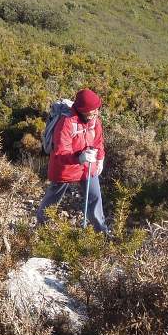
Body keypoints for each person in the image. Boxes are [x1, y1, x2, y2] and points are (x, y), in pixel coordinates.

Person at [35, 88, 109, 233]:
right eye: (92, 110)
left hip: (87, 166)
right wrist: (79, 157)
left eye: (97, 109)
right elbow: (61, 152)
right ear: (82, 110)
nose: (96, 113)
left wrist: (100, 158)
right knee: (52, 199)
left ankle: (101, 233)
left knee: (94, 199)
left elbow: (98, 141)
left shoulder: (94, 121)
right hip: (65, 167)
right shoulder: (66, 123)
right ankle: (41, 229)